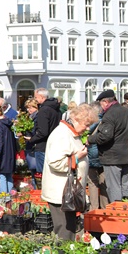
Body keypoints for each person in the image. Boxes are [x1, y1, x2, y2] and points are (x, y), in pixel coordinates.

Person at [41, 103, 98, 240]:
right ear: (76, 120)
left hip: (68, 193)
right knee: (64, 231)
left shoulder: (71, 134)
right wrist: (77, 158)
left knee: (69, 229)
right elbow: (56, 163)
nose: (88, 128)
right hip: (60, 194)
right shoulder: (61, 135)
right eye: (86, 124)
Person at [87, 89, 128, 201]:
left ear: (105, 102)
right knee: (125, 185)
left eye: (101, 103)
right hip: (127, 154)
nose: (101, 106)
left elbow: (105, 136)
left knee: (114, 186)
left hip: (112, 156)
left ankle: (118, 213)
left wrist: (90, 139)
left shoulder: (109, 114)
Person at [26, 88, 61, 175]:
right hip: (54, 144)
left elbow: (43, 132)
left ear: (41, 97)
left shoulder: (44, 110)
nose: (35, 99)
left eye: (36, 97)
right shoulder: (57, 109)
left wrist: (32, 139)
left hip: (43, 146)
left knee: (43, 175)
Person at [0, 105, 19, 193]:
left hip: (2, 155)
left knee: (2, 177)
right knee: (9, 176)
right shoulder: (9, 123)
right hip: (10, 153)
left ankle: (3, 200)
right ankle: (10, 199)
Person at [86, 101, 108, 209]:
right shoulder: (105, 122)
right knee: (104, 183)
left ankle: (93, 208)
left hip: (91, 155)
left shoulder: (88, 124)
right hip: (103, 155)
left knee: (92, 183)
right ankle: (105, 208)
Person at [23, 98, 39, 175]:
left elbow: (35, 130)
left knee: (35, 168)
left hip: (34, 144)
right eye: (27, 108)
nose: (29, 109)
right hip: (29, 143)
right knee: (32, 168)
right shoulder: (29, 117)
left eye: (31, 107)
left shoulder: (37, 116)